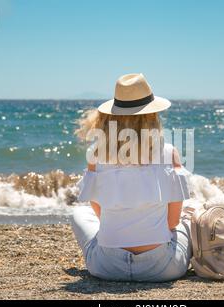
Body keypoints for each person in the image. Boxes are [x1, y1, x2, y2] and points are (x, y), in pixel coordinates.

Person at [71, 73, 192, 282]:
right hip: (162, 268)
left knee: (78, 214)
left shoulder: (96, 155)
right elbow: (172, 223)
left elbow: (100, 213)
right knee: (189, 219)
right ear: (153, 117)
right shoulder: (169, 153)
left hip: (106, 266)